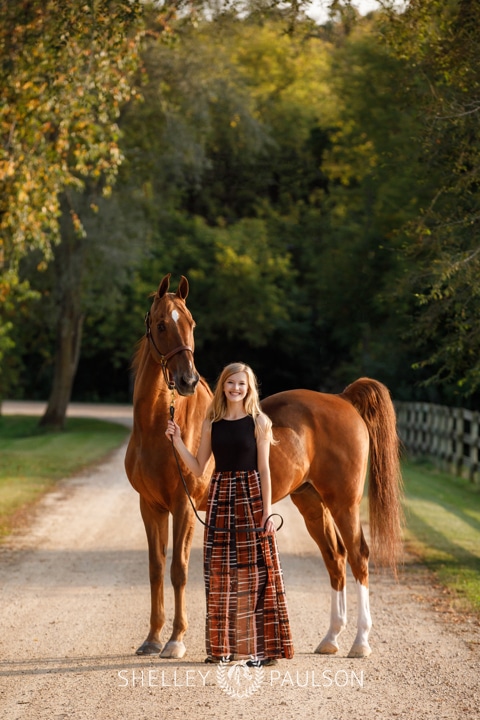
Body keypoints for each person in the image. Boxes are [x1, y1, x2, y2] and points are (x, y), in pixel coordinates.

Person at [165, 362, 294, 667]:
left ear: (249, 389)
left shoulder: (260, 422)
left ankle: (262, 650)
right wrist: (177, 440)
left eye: (242, 384)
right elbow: (198, 467)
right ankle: (221, 649)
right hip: (220, 496)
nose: (236, 389)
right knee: (220, 575)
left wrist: (267, 511)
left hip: (250, 496)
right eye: (231, 383)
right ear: (223, 385)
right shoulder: (212, 422)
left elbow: (264, 469)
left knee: (257, 575)